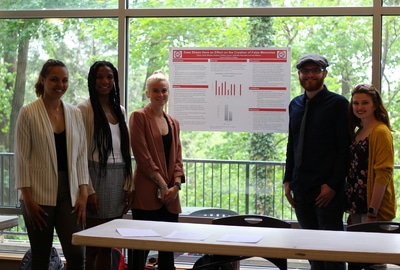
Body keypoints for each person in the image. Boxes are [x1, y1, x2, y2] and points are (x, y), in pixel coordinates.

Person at [14, 59, 89, 270]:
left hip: (70, 194)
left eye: (64, 80)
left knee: (76, 255)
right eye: (54, 79)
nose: (60, 85)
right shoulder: (28, 112)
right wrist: (28, 201)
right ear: (43, 80)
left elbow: (81, 155)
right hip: (37, 194)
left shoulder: (75, 113)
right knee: (41, 256)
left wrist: (83, 193)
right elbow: (21, 158)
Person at [283, 53, 350, 270]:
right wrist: (287, 180)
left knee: (331, 251)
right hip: (301, 188)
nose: (310, 75)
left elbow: (344, 150)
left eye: (315, 71)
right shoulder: (295, 104)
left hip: (327, 191)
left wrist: (333, 185)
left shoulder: (339, 105)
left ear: (324, 74)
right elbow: (292, 144)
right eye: (305, 71)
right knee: (311, 248)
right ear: (299, 75)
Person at [77, 60, 134, 270]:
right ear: (92, 80)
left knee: (108, 245)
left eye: (109, 77)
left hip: (118, 178)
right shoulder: (83, 109)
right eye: (100, 77)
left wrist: (130, 184)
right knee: (92, 244)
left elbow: (125, 151)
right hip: (95, 177)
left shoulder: (120, 109)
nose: (105, 81)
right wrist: (88, 189)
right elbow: (79, 154)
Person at [128, 70, 185, 270]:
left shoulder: (174, 123)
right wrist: (162, 185)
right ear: (147, 93)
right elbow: (143, 157)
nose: (160, 94)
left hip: (171, 196)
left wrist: (175, 187)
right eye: (155, 91)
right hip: (146, 194)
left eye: (164, 90)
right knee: (139, 251)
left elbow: (178, 158)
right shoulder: (138, 117)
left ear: (168, 93)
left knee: (167, 250)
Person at [346, 84, 396, 224]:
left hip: (374, 211)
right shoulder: (359, 131)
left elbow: (383, 173)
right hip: (358, 207)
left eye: (365, 103)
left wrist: (372, 212)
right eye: (356, 103)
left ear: (375, 105)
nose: (360, 107)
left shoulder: (380, 131)